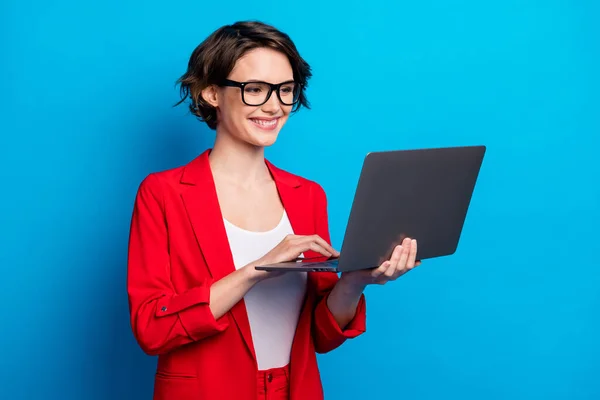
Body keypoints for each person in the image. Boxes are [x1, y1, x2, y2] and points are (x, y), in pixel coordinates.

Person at [127, 20, 420, 400]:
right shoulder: (163, 193)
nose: (274, 105)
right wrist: (255, 271)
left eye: (285, 90)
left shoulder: (307, 195)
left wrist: (354, 280)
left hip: (293, 388)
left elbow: (322, 334)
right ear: (212, 93)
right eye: (254, 90)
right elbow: (152, 328)